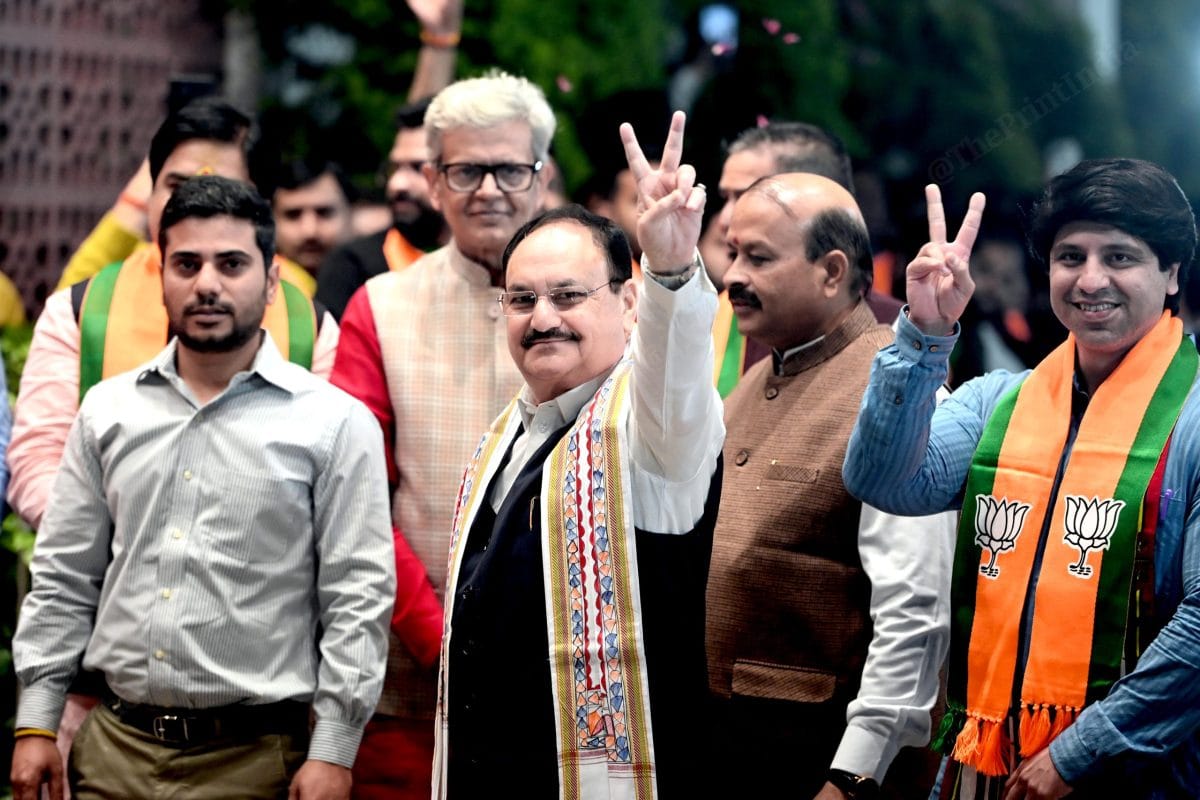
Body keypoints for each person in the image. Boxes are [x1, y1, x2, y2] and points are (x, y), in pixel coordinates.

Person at [10, 175, 394, 800]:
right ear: (161, 277)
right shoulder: (107, 411)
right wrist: (36, 721)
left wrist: (334, 750)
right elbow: (63, 576)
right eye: (186, 264)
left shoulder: (334, 423)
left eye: (232, 264)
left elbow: (358, 595)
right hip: (113, 753)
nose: (207, 284)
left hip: (258, 761)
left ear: (271, 281)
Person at [844, 159, 1200, 799]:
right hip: (989, 763)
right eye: (1070, 257)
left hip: (1138, 774)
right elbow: (884, 481)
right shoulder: (1000, 402)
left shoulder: (1194, 421)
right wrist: (924, 335)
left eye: (1120, 257)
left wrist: (1075, 754)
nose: (1090, 279)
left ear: (1171, 273)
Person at [433, 109, 722, 797]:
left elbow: (676, 366)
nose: (542, 318)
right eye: (522, 299)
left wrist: (671, 266)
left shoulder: (653, 432)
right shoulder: (507, 434)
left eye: (567, 296)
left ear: (628, 303)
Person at [329, 69, 554, 799]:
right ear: (431, 180)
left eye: (510, 169)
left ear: (543, 175)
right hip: (407, 686)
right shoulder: (381, 306)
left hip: (559, 683)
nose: (489, 190)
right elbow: (356, 500)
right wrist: (442, 641)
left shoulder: (608, 306)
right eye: (465, 170)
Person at [705, 172, 953, 799]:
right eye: (732, 254)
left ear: (832, 271)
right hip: (725, 748)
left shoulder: (897, 394)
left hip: (817, 758)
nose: (732, 276)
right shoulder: (749, 386)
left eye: (758, 258)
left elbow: (915, 609)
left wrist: (854, 775)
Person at [7, 97, 340, 532]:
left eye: (217, 189)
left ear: (260, 206)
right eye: (175, 186)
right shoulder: (77, 311)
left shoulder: (310, 325)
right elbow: (38, 459)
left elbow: (331, 475)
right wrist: (110, 541)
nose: (191, 205)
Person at [703, 121, 903, 397]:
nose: (725, 219)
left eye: (748, 195)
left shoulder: (901, 339)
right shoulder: (714, 314)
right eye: (725, 198)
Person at [315, 98, 449, 320]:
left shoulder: (498, 262)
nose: (397, 184)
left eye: (418, 168)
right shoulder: (352, 267)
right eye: (394, 168)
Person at [271, 158, 355, 293]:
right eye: (293, 215)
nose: (310, 231)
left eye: (324, 213)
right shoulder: (259, 293)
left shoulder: (377, 290)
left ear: (352, 214)